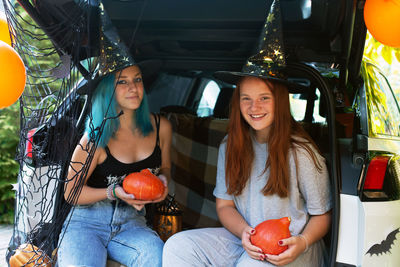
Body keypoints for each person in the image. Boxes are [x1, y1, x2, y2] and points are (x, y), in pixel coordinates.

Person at [162, 75, 332, 266]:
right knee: (178, 246)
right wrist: (244, 232)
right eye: (246, 98)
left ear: (281, 101)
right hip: (246, 239)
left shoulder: (301, 152)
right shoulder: (230, 146)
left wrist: (303, 242)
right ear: (237, 102)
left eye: (264, 98)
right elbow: (224, 206)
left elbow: (322, 215)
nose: (254, 107)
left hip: (292, 247)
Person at [57, 63, 172, 267]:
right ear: (106, 89)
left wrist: (163, 182)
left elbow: (166, 168)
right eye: (122, 82)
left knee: (159, 258)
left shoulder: (161, 127)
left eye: (137, 79)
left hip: (133, 224)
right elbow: (70, 193)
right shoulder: (94, 138)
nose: (133, 88)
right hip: (86, 224)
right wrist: (114, 192)